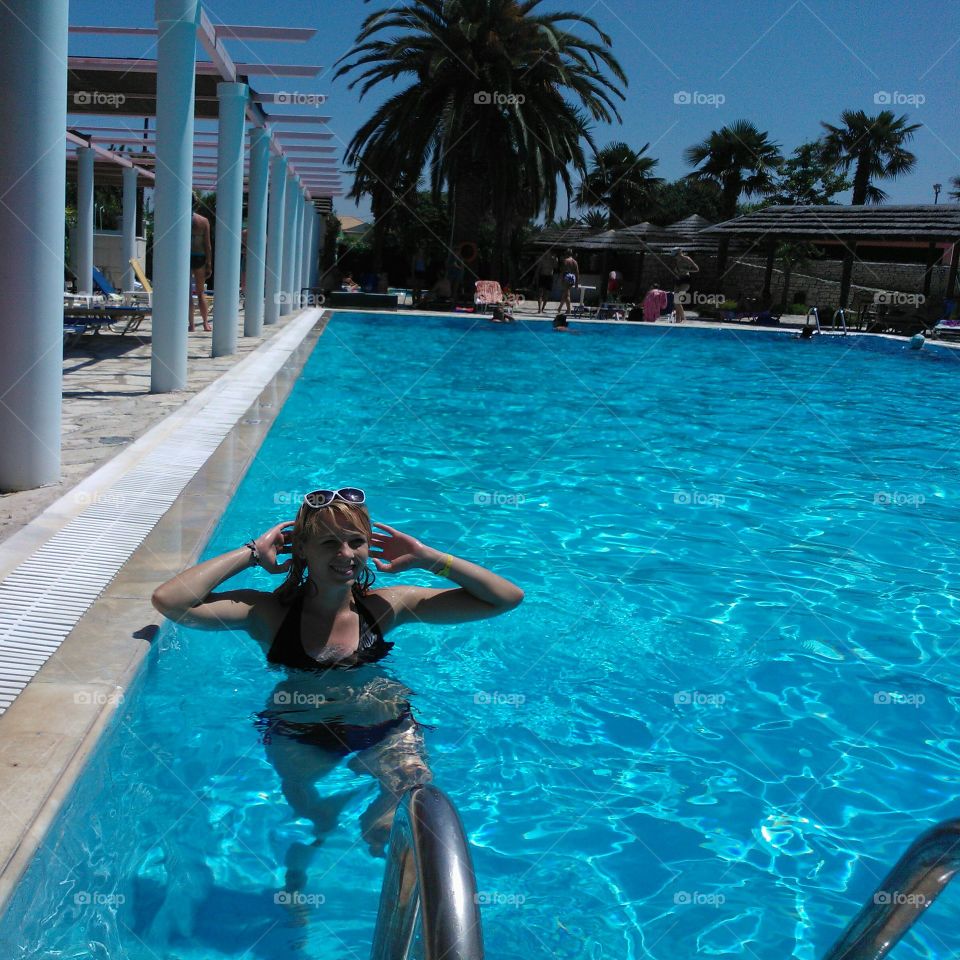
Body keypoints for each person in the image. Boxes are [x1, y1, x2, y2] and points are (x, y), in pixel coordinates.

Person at [151, 488, 523, 895]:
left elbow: (504, 598)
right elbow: (172, 602)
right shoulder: (268, 614)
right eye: (329, 542)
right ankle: (301, 875)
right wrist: (254, 553)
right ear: (301, 550)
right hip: (301, 736)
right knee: (314, 818)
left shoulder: (386, 606)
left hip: (384, 726)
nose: (346, 554)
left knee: (407, 812)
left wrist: (430, 557)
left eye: (356, 541)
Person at [189, 200, 213, 333]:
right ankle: (205, 323)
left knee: (187, 294)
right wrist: (209, 264)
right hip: (199, 256)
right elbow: (207, 245)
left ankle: (191, 325)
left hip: (185, 257)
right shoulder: (203, 221)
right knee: (200, 292)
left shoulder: (181, 219)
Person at [671, 249, 699, 324]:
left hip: (685, 281)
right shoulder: (677, 260)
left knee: (677, 300)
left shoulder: (687, 259)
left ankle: (683, 319)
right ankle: (678, 320)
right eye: (674, 256)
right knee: (676, 301)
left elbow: (696, 269)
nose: (675, 257)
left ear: (680, 253)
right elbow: (679, 271)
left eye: (676, 255)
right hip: (678, 280)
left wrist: (685, 269)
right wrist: (676, 271)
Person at [559, 249, 579, 314]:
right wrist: (576, 283)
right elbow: (577, 273)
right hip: (572, 278)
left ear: (566, 254)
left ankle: (569, 310)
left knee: (567, 295)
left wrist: (561, 279)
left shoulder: (566, 261)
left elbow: (563, 271)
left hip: (567, 277)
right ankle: (559, 308)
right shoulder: (575, 262)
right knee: (566, 293)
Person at [536, 249, 556, 313]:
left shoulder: (553, 259)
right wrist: (536, 277)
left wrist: (555, 260)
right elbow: (538, 269)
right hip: (542, 276)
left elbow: (556, 267)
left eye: (548, 252)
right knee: (540, 293)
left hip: (549, 277)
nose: (547, 254)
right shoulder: (542, 259)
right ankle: (539, 309)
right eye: (546, 252)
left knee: (547, 294)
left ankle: (542, 308)